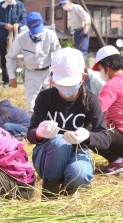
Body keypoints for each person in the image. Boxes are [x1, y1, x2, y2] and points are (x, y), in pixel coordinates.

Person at [27, 47, 111, 200]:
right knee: (60, 142)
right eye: (61, 83)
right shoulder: (45, 97)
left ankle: (66, 190)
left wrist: (87, 136)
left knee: (81, 173)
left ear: (83, 78)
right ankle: (49, 193)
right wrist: (38, 133)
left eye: (70, 83)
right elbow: (30, 135)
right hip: (47, 155)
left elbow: (105, 138)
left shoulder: (90, 101)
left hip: (77, 152)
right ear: (52, 78)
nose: (65, 88)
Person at [6, 12, 61, 114]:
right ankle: (32, 127)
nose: (37, 33)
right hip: (31, 73)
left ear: (42, 23)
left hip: (48, 72)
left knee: (53, 103)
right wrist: (12, 77)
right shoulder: (21, 38)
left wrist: (55, 74)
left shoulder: (51, 35)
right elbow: (10, 57)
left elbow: (58, 55)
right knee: (31, 105)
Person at [91, 45, 123, 175]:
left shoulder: (113, 84)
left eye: (100, 69)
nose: (100, 73)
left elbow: (95, 111)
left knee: (87, 133)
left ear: (108, 65)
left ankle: (117, 160)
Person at [0, 0, 26, 88]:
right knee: (4, 59)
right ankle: (6, 80)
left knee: (15, 58)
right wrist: (4, 25)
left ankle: (15, 78)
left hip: (16, 37)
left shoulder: (20, 5)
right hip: (3, 37)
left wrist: (17, 25)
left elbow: (24, 19)